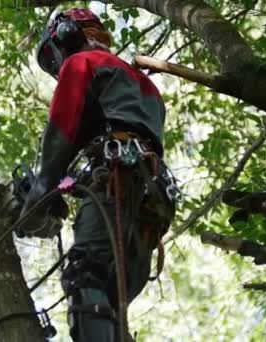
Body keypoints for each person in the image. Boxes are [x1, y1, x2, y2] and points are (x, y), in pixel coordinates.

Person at [20, 8, 170, 342]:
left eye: (52, 56)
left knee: (86, 275)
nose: (57, 67)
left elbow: (62, 131)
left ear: (68, 34)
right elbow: (106, 128)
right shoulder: (141, 84)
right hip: (150, 200)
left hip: (116, 181)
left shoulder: (82, 63)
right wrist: (58, 189)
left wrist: (40, 190)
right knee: (111, 305)